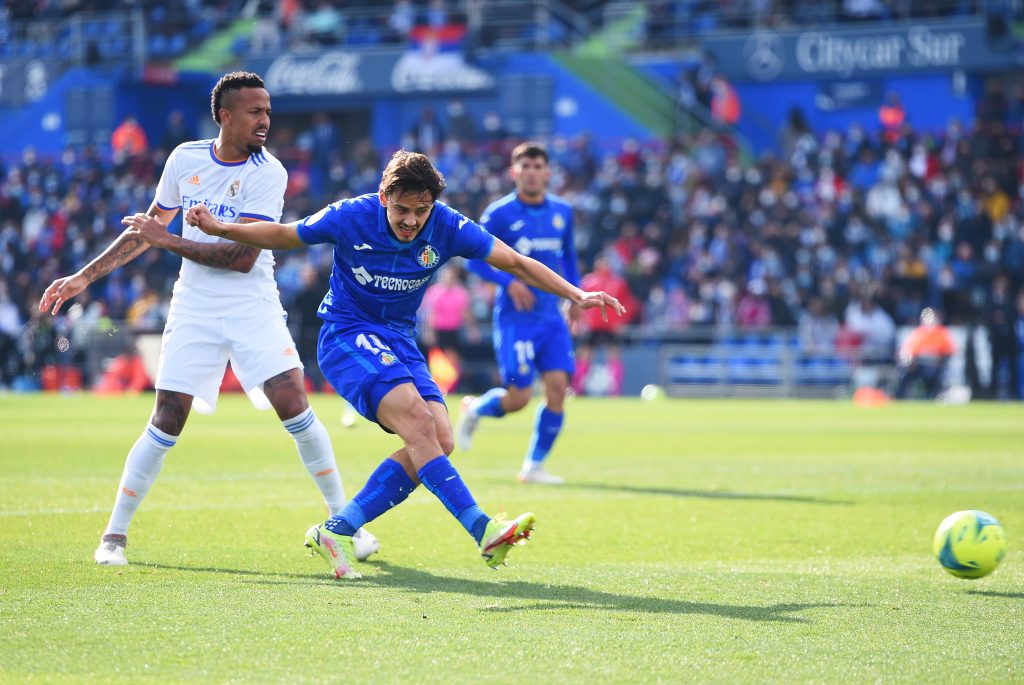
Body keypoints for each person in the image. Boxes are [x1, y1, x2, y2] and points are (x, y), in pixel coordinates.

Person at [183, 149, 625, 579]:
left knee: (441, 438)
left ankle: (335, 530)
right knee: (417, 421)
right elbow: (285, 234)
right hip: (347, 334)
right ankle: (483, 529)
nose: (412, 221)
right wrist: (222, 227)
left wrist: (576, 293)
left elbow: (512, 261)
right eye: (402, 210)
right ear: (383, 199)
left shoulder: (448, 225)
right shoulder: (350, 215)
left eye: (422, 210)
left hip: (399, 340)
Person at [39, 71, 377, 567]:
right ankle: (114, 536)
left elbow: (240, 257)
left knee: (293, 401)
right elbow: (147, 229)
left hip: (251, 302)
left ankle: (347, 525)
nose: (265, 120)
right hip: (194, 305)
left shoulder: (269, 172)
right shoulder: (185, 158)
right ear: (225, 115)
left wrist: (169, 241)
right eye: (254, 111)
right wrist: (82, 278)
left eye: (267, 111)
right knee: (168, 417)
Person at [456, 142, 580, 485]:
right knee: (520, 398)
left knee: (558, 388)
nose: (532, 172)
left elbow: (568, 256)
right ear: (514, 172)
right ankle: (476, 409)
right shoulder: (498, 214)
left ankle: (534, 466)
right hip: (516, 318)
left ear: (548, 172)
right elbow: (473, 258)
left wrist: (576, 296)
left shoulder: (563, 212)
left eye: (538, 166)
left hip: (551, 317)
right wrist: (508, 283)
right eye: (525, 166)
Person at [895, 307, 956, 399]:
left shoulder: (942, 333)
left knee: (935, 377)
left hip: (936, 367)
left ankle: (932, 397)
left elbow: (948, 352)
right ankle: (900, 397)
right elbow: (908, 350)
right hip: (918, 366)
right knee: (905, 374)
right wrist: (910, 362)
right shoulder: (918, 333)